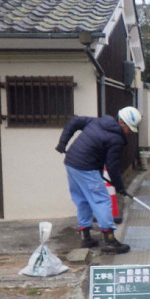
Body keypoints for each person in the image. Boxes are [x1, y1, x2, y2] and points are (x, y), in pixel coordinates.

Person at [55, 107, 142, 253]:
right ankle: (109, 241)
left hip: (71, 163)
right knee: (101, 201)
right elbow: (112, 166)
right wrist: (119, 187)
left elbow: (75, 121)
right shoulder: (116, 139)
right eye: (130, 129)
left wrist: (63, 143)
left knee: (82, 200)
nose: (131, 132)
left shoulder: (99, 121)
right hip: (85, 167)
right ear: (122, 123)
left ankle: (86, 237)